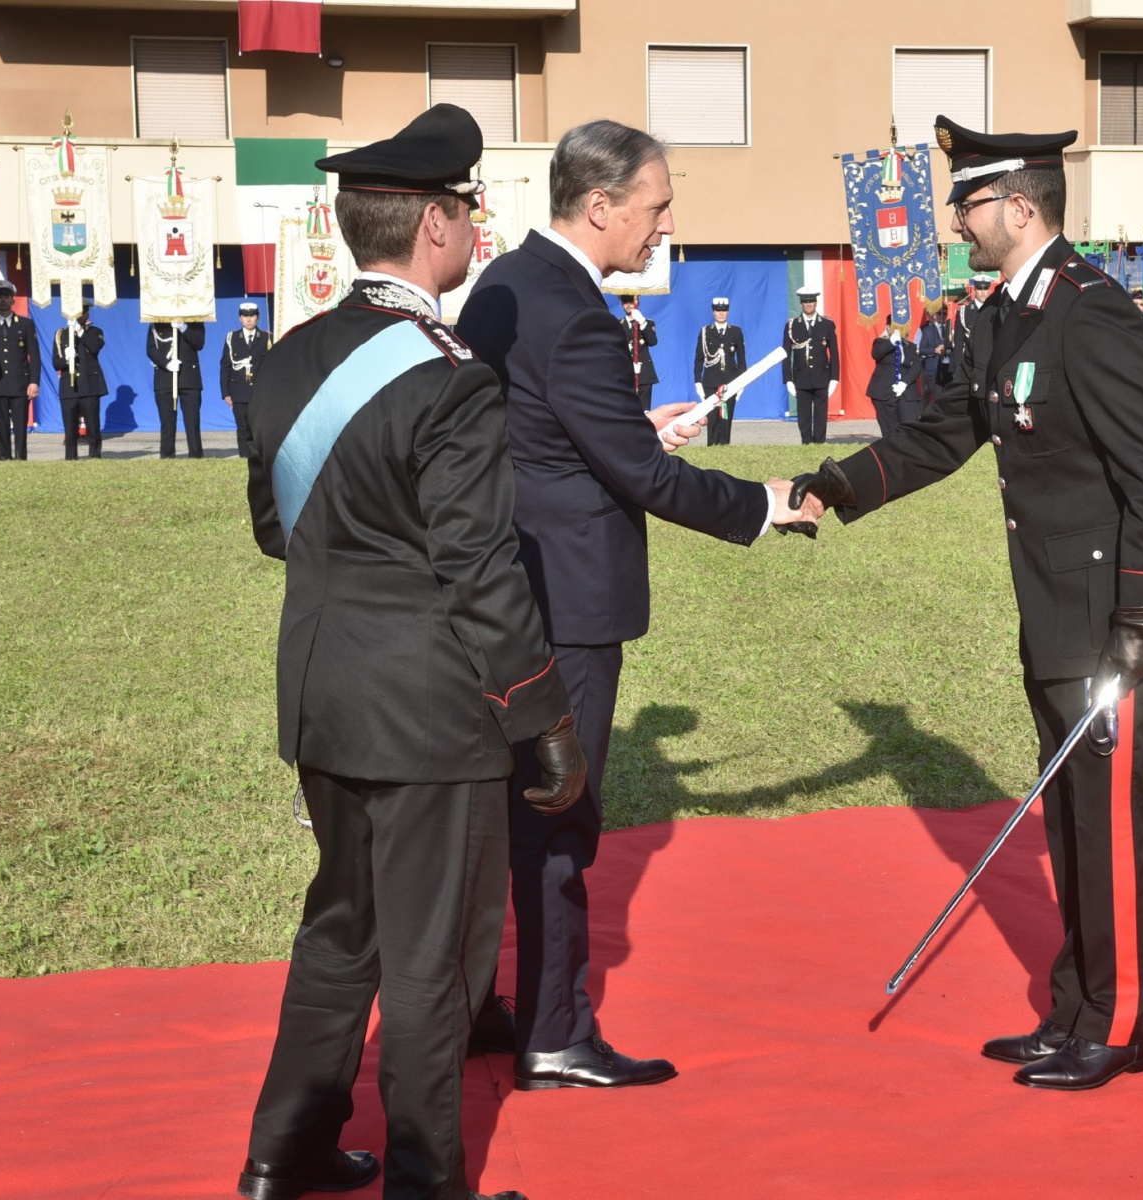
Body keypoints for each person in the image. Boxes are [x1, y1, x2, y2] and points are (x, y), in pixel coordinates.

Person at [788, 115, 1143, 1093]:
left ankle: (1120, 1026)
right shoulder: (1005, 315)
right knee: (1069, 820)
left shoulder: (1089, 312)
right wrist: (836, 486)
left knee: (1105, 822)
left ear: (1018, 207)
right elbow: (943, 432)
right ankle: (1075, 1011)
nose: (955, 222)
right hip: (1054, 612)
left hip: (1107, 620)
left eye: (966, 204)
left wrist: (1140, 621)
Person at [239, 104, 583, 1200]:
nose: (475, 228)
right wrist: (542, 713)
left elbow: (273, 529)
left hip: (322, 692)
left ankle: (283, 1154)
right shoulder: (451, 373)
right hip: (430, 714)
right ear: (435, 224)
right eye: (469, 209)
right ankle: (426, 1181)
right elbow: (480, 569)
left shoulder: (288, 357)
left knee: (341, 931)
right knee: (435, 957)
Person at [455, 118, 815, 1091]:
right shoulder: (574, 311)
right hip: (567, 604)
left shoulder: (508, 282)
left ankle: (474, 1007)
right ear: (599, 204)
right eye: (656, 206)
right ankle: (554, 1034)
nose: (666, 226)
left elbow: (539, 432)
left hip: (507, 589)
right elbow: (639, 479)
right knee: (557, 819)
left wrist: (629, 425)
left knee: (495, 816)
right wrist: (762, 504)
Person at [0, 281, 38, 461]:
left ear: (13, 299)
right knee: (1, 426)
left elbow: (35, 356)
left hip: (20, 384)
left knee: (20, 425)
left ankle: (21, 458)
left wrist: (34, 382)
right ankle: (4, 458)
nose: (3, 300)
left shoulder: (25, 324)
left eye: (6, 296)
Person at [782, 287, 840, 443]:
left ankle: (819, 442)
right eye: (805, 302)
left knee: (821, 414)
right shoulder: (792, 325)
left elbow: (834, 353)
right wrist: (788, 379)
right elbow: (785, 355)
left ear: (816, 303)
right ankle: (806, 443)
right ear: (801, 304)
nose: (808, 304)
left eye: (811, 301)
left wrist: (834, 378)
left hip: (822, 376)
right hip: (801, 377)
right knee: (804, 414)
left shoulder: (827, 324)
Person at [51, 304, 106, 460]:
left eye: (82, 312)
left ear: (87, 314)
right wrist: (66, 360)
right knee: (70, 427)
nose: (79, 315)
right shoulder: (60, 334)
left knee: (92, 425)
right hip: (69, 386)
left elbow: (94, 347)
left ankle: (95, 456)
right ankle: (70, 457)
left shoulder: (95, 332)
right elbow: (56, 363)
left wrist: (79, 330)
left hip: (89, 385)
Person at [147, 319, 206, 458]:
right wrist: (166, 363)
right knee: (167, 422)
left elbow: (199, 343)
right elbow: (150, 349)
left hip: (189, 378)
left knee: (192, 421)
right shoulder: (156, 323)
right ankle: (167, 456)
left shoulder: (195, 322)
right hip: (165, 377)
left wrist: (184, 327)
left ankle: (196, 456)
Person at [221, 301, 272, 458]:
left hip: (259, 391)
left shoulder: (267, 337)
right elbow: (225, 366)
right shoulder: (232, 338)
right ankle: (244, 457)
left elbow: (272, 366)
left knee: (257, 427)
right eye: (245, 316)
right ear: (240, 318)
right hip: (239, 390)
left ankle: (258, 457)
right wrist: (225, 392)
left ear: (258, 318)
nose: (249, 319)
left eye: (252, 316)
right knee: (242, 427)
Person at [694, 297, 745, 445]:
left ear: (728, 311)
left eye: (724, 310)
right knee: (712, 418)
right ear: (713, 312)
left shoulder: (736, 332)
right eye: (718, 310)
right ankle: (711, 446)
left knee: (726, 418)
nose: (721, 313)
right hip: (710, 381)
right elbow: (699, 359)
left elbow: (742, 360)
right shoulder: (705, 332)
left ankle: (724, 447)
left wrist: (742, 383)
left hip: (730, 381)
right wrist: (697, 382)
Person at [866, 324, 923, 437]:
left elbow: (917, 365)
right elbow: (876, 354)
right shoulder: (880, 342)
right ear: (888, 328)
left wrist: (904, 383)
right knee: (890, 430)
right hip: (884, 392)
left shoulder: (910, 346)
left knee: (910, 427)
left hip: (906, 391)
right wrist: (891, 342)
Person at [617, 294, 658, 412]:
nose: (628, 305)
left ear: (637, 303)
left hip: (644, 373)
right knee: (627, 410)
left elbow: (653, 341)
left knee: (644, 411)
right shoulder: (618, 324)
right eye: (625, 302)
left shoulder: (647, 323)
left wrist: (642, 323)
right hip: (626, 372)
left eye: (631, 302)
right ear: (622, 305)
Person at [953, 273, 996, 365]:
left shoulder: (996, 310)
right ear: (975, 289)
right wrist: (957, 367)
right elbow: (958, 342)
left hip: (990, 360)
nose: (983, 292)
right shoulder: (964, 311)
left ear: (989, 290)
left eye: (986, 288)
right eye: (980, 288)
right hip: (970, 360)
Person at [916, 305, 953, 407]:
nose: (942, 316)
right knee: (937, 398)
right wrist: (934, 350)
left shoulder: (950, 329)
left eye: (944, 313)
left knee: (949, 398)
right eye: (939, 313)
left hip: (949, 368)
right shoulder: (927, 330)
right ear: (934, 315)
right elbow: (921, 350)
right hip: (934, 370)